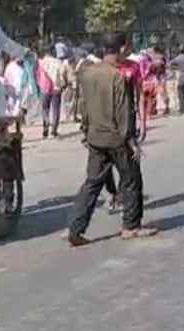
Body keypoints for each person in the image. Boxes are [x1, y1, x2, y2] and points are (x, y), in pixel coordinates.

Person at [66, 32, 157, 247]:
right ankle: (131, 226)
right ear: (122, 48)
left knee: (92, 183)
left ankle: (75, 228)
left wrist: (85, 131)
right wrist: (131, 140)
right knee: (132, 180)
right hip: (117, 138)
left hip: (95, 137)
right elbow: (123, 111)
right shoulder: (117, 76)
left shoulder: (87, 73)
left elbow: (83, 107)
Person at [39, 45, 71, 139]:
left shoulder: (41, 62)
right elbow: (63, 73)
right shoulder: (58, 62)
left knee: (45, 109)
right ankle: (54, 131)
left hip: (44, 88)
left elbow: (37, 75)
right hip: (56, 88)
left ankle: (46, 125)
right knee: (56, 109)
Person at [169, 46, 184, 115]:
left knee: (181, 94)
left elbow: (169, 64)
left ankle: (183, 109)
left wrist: (176, 68)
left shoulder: (177, 58)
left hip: (180, 77)